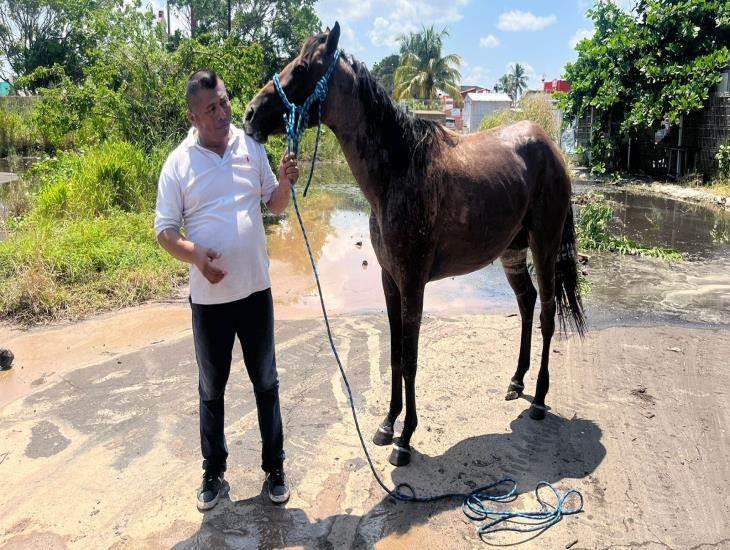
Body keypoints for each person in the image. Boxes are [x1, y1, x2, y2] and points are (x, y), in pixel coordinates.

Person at [154, 69, 299, 511]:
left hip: (256, 292)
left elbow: (272, 204)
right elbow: (164, 231)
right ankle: (213, 473)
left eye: (224, 102)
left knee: (267, 383)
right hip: (210, 303)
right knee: (211, 391)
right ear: (193, 117)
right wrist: (196, 256)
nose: (222, 113)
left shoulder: (251, 147)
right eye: (210, 109)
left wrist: (286, 182)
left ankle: (274, 468)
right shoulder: (178, 164)